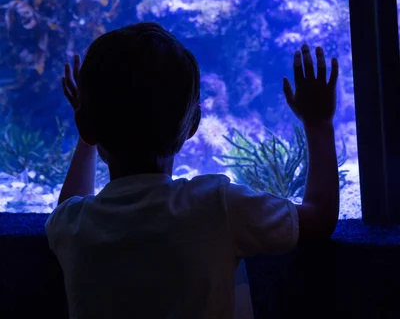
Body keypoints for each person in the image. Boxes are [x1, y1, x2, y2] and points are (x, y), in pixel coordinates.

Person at [45, 22, 339, 319]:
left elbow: (68, 204)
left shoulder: (73, 224)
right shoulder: (216, 205)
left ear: (87, 125)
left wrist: (88, 131)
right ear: (193, 125)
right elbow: (320, 217)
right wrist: (318, 123)